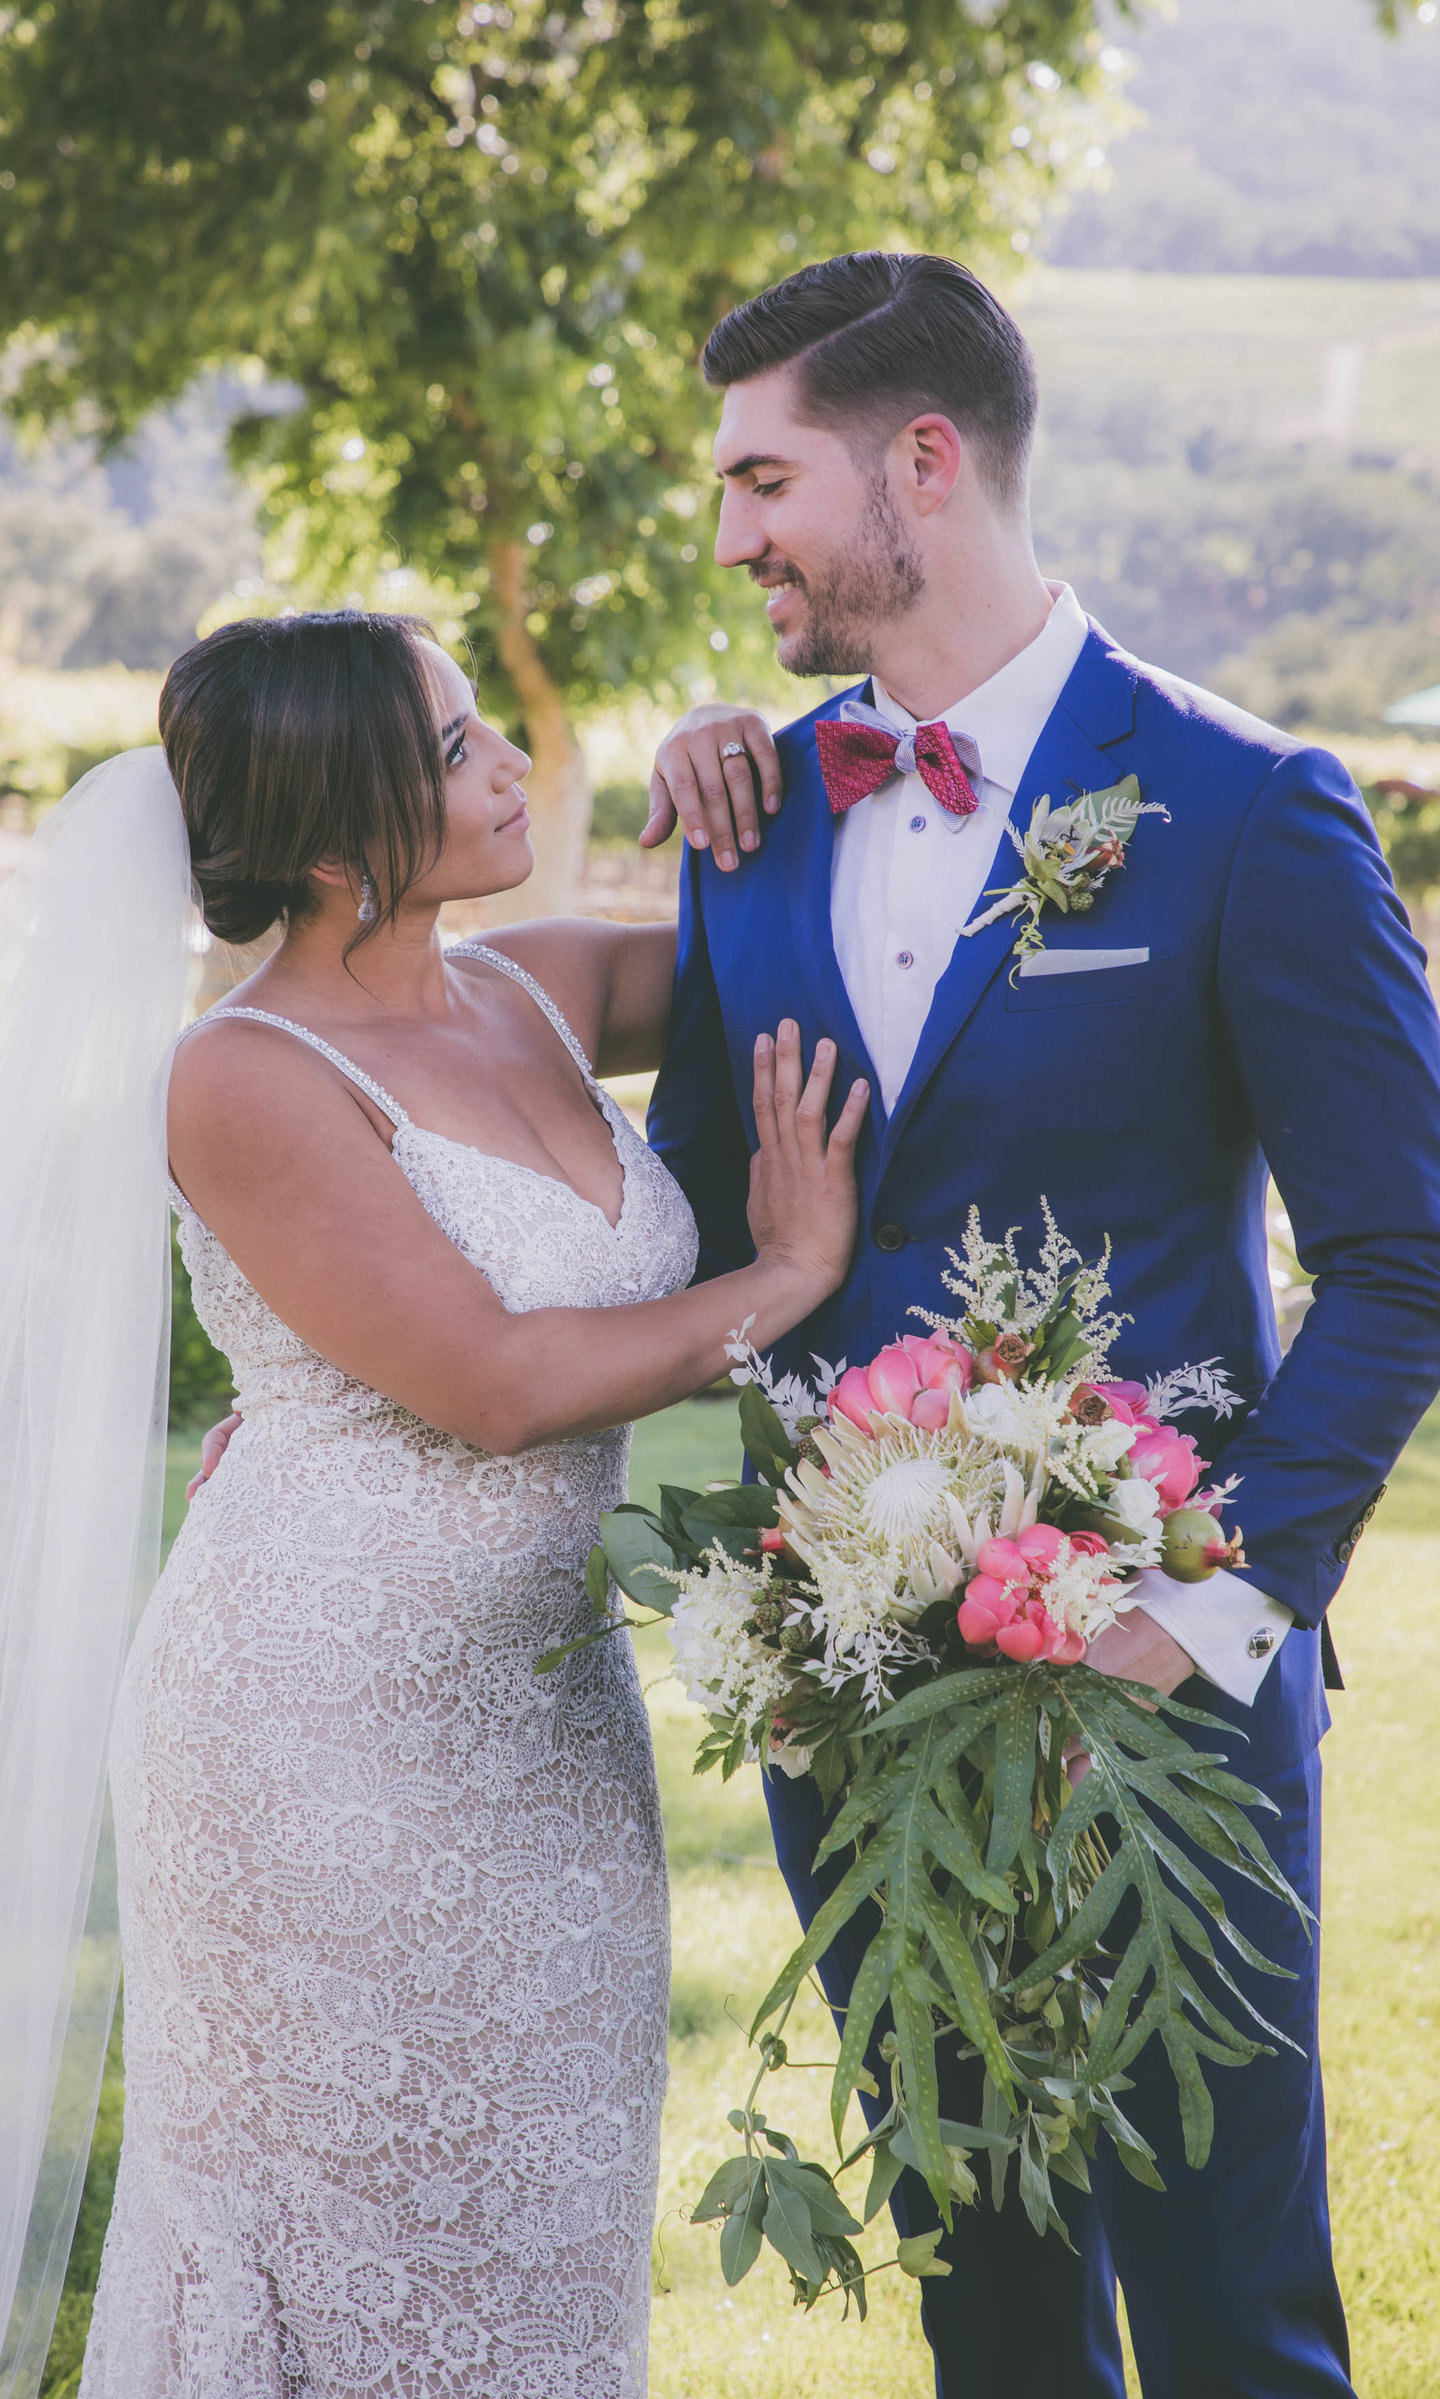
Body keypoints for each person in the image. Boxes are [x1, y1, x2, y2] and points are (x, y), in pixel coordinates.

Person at [0, 609, 867, 2399]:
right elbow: (496, 1382)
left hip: (546, 1730)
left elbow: (790, 936)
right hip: (309, 1750)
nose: (504, 768)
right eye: (456, 747)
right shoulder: (239, 1077)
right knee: (343, 2265)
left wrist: (739, 755)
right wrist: (782, 1274)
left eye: (485, 728)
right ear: (335, 846)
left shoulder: (540, 985)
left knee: (540, 2243)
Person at [641, 251, 1440, 2397]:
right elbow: (690, 1222)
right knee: (978, 2294)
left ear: (922, 459)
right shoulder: (748, 818)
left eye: (758, 476)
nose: (728, 539)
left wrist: (1212, 1606)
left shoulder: (1246, 807)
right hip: (853, 1699)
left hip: (1160, 1695)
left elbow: (1402, 1254)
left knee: (1229, 2307)